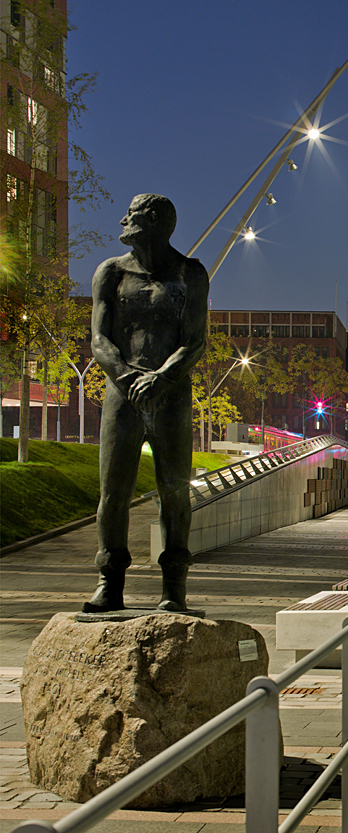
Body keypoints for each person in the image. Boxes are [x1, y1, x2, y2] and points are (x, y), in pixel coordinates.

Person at [85, 194, 208, 613]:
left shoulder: (189, 274)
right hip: (122, 396)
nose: (123, 220)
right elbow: (99, 338)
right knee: (113, 491)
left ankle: (174, 585)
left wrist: (161, 378)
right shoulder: (111, 273)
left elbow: (194, 341)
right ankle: (109, 580)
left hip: (171, 396)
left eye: (132, 216)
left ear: (153, 222)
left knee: (174, 492)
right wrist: (126, 376)